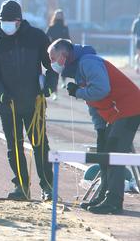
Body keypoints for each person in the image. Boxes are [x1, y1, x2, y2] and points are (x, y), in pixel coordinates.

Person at [49, 39, 140, 214]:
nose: (52, 63)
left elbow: (102, 89)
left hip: (130, 108)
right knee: (104, 153)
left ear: (64, 55)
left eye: (53, 58)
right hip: (117, 112)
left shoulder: (88, 62)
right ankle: (104, 194)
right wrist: (100, 128)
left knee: (114, 152)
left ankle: (114, 200)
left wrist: (78, 92)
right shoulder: (78, 70)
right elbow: (93, 103)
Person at [0, 0, 58, 201]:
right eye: (3, 20)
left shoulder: (37, 37)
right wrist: (0, 93)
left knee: (41, 145)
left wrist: (50, 86)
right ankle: (22, 186)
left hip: (35, 103)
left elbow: (52, 63)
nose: (6, 24)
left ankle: (48, 187)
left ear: (19, 20)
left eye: (10, 20)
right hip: (8, 104)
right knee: (13, 147)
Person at [46, 9, 70, 98]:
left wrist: (70, 47)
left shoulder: (65, 28)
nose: (59, 16)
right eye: (57, 14)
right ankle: (54, 92)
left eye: (60, 15)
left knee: (64, 68)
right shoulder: (51, 27)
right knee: (54, 72)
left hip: (63, 51)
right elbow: (46, 37)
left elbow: (68, 38)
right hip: (54, 52)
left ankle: (64, 81)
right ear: (54, 16)